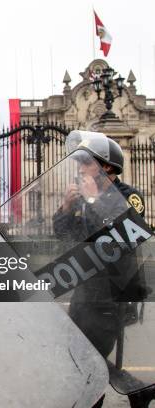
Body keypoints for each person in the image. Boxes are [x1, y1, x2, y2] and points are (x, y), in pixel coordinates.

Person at [53, 133, 153, 408]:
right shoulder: (84, 197)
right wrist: (66, 207)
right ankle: (135, 389)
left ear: (107, 166)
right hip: (85, 291)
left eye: (86, 162)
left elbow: (126, 237)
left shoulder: (129, 196)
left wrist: (96, 200)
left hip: (114, 293)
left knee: (87, 361)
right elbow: (65, 236)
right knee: (76, 352)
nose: (80, 168)